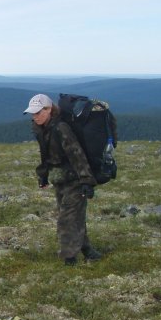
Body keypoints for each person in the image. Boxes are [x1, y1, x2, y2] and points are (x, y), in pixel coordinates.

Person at [25, 93, 102, 265]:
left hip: (75, 180)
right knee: (73, 216)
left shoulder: (61, 128)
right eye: (33, 113)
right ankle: (87, 250)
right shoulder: (42, 129)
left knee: (66, 219)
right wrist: (43, 175)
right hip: (60, 180)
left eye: (38, 112)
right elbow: (47, 156)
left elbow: (77, 154)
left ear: (49, 109)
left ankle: (69, 259)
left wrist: (86, 181)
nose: (35, 116)